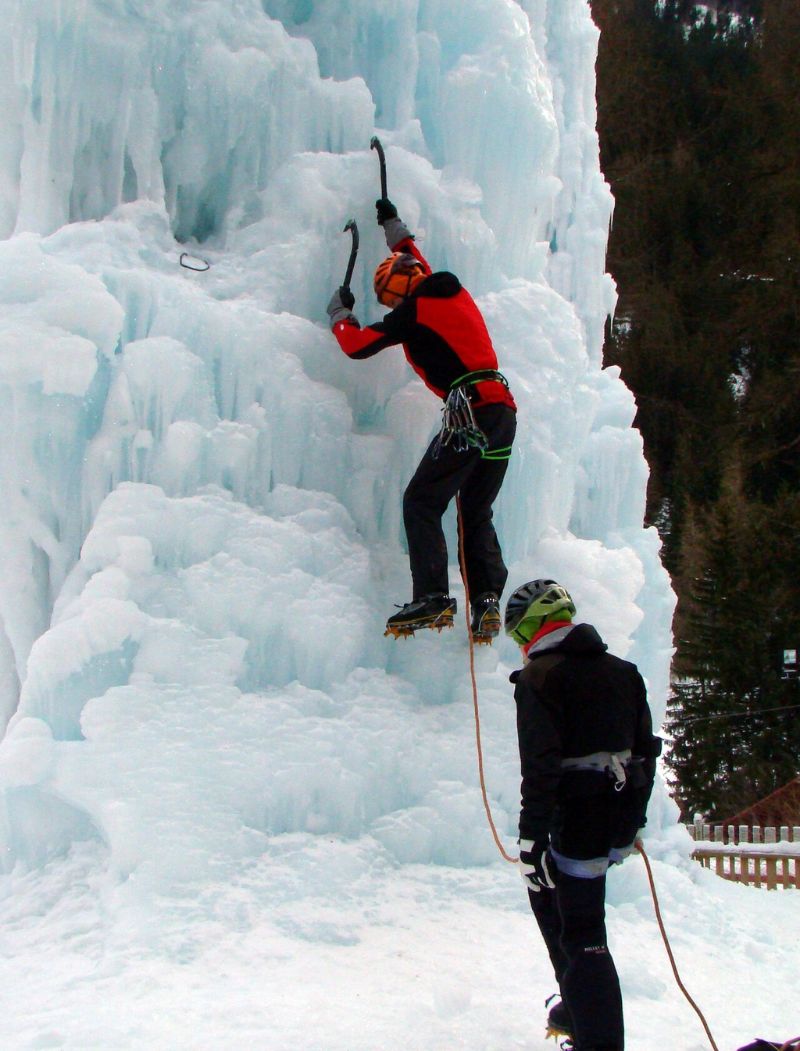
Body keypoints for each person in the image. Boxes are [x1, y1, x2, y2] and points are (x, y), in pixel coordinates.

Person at [326, 197, 517, 641]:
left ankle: (433, 596)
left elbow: (357, 345)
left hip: (470, 412)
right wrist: (393, 226)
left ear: (400, 291)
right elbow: (415, 256)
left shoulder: (413, 314)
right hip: (502, 412)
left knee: (421, 501)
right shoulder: (450, 289)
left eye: (391, 298)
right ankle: (486, 601)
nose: (392, 306)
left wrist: (339, 315)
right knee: (475, 507)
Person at [504, 579, 662, 1051]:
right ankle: (575, 1006)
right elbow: (645, 753)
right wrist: (632, 824)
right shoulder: (625, 671)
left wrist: (531, 840)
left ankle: (596, 1037)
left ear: (530, 628)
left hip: (574, 819)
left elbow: (541, 766)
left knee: (583, 933)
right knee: (560, 910)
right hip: (613, 816)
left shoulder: (539, 678)